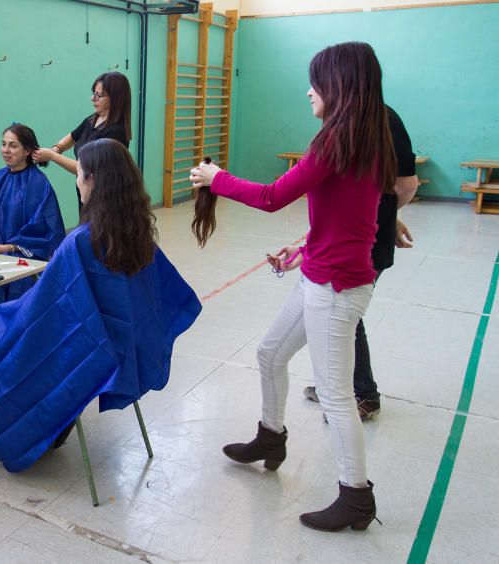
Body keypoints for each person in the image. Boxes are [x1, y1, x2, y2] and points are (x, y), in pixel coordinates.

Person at [190, 41, 396, 532]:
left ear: (339, 86)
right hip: (322, 275)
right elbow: (347, 221)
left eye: (316, 82)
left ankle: (356, 496)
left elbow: (272, 197)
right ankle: (270, 436)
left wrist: (216, 178)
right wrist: (303, 249)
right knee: (269, 354)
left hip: (336, 288)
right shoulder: (363, 137)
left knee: (336, 395)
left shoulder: (335, 141)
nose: (309, 91)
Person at [0, 139, 201, 472]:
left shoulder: (82, 242)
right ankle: (57, 417)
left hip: (91, 353)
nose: (77, 182)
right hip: (125, 347)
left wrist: (2, 316)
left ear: (95, 180)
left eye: (80, 175)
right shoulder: (138, 233)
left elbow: (39, 312)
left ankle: (33, 422)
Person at [300, 105, 420, 421]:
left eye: (318, 82)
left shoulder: (382, 118)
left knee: (344, 316)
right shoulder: (343, 119)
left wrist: (385, 216)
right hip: (347, 236)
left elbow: (406, 184)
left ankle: (362, 395)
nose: (310, 92)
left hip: (365, 239)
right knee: (338, 315)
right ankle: (338, 387)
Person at [0, 123, 66, 324]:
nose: (5, 150)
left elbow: (45, 232)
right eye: (3, 144)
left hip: (20, 261)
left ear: (27, 151)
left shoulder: (38, 184)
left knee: (13, 297)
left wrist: (8, 247)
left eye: (13, 145)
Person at [32, 72, 132, 210]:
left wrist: (52, 156)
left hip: (105, 200)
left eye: (99, 95)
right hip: (85, 194)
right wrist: (56, 149)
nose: (93, 98)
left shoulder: (116, 132)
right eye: (94, 93)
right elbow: (73, 136)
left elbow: (84, 168)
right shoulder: (93, 119)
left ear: (114, 99)